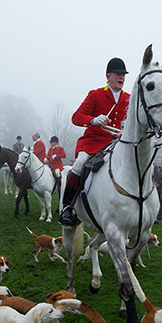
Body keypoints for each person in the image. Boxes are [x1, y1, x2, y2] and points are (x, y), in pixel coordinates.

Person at [59, 57, 130, 225]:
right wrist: (93, 120)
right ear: (108, 76)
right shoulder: (95, 94)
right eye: (118, 74)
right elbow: (76, 117)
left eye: (123, 75)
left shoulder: (129, 98)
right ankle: (67, 207)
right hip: (93, 142)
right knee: (79, 163)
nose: (122, 77)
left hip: (116, 144)